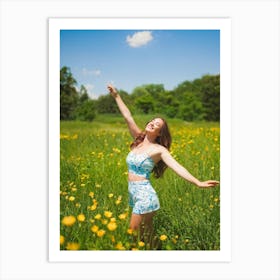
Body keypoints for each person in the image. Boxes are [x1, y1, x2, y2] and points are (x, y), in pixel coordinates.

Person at [107, 84, 219, 247]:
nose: (152, 123)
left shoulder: (159, 150)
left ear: (159, 133)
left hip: (145, 196)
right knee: (148, 236)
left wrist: (197, 182)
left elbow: (177, 166)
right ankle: (159, 253)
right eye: (152, 121)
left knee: (133, 234)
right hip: (133, 193)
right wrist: (116, 96)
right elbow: (128, 117)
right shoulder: (138, 140)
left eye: (157, 124)